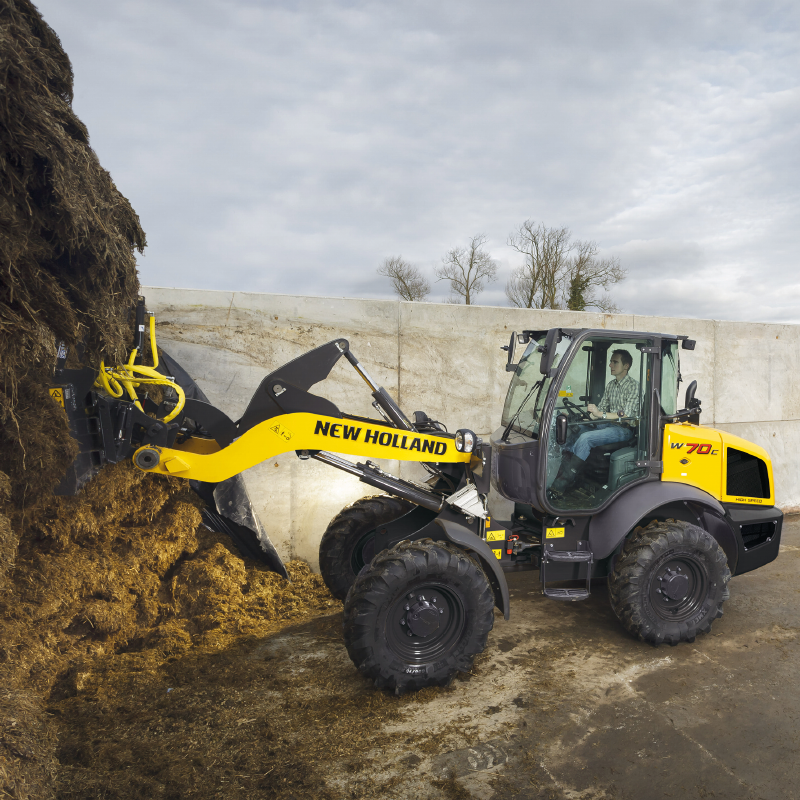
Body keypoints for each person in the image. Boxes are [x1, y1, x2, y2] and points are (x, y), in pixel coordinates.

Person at [551, 350, 639, 495]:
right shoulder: (611, 385)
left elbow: (626, 415)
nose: (610, 365)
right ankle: (571, 476)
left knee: (586, 438)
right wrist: (579, 417)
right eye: (611, 361)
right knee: (575, 430)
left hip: (624, 429)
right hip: (607, 424)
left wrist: (600, 414)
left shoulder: (633, 386)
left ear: (626, 366)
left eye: (615, 362)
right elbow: (599, 412)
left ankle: (562, 484)